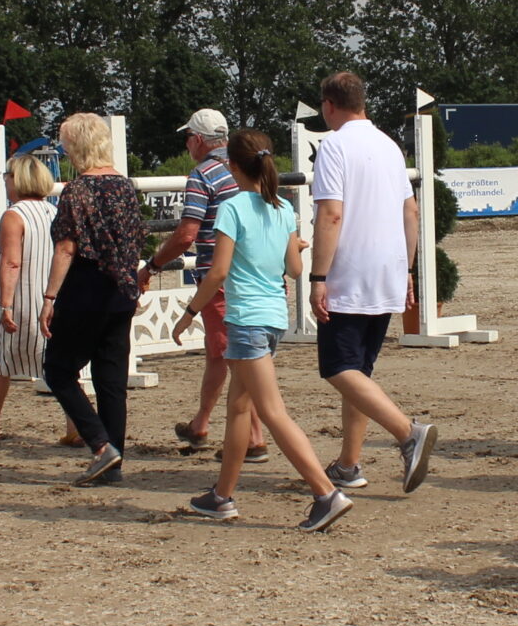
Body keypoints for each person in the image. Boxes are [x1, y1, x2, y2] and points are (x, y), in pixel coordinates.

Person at [177, 132, 354, 532]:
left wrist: (190, 312)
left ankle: (325, 493)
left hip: (246, 320)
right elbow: (294, 269)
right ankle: (221, 496)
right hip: (273, 318)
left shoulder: (232, 207)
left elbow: (218, 272)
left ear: (232, 166)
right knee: (239, 408)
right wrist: (293, 247)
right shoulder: (283, 208)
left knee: (272, 412)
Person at [308, 72, 438, 493]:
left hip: (350, 271)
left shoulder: (334, 145)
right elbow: (410, 212)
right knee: (360, 372)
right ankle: (348, 464)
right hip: (388, 269)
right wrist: (408, 270)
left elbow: (331, 214)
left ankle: (407, 433)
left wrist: (318, 276)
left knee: (338, 368)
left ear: (329, 105)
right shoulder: (389, 145)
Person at [143, 108, 264, 461]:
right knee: (219, 353)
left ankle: (254, 438)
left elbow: (186, 234)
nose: (187, 145)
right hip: (257, 274)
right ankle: (201, 422)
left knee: (236, 357)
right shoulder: (249, 166)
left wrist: (153, 265)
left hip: (220, 276)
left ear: (197, 140)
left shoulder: (203, 175)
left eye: (187, 138)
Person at [42, 113, 146, 486]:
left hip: (85, 289)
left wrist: (49, 296)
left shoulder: (77, 190)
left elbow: (66, 248)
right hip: (121, 291)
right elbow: (136, 239)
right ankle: (112, 465)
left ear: (76, 147)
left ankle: (101, 446)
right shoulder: (126, 187)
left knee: (58, 370)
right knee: (111, 381)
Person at [0, 151, 83, 449]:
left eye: (7, 176)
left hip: (23, 300)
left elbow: (12, 262)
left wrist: (5, 304)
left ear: (17, 180)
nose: (5, 181)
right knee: (63, 364)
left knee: (1, 361)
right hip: (54, 299)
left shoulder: (14, 215)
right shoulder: (54, 212)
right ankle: (76, 426)